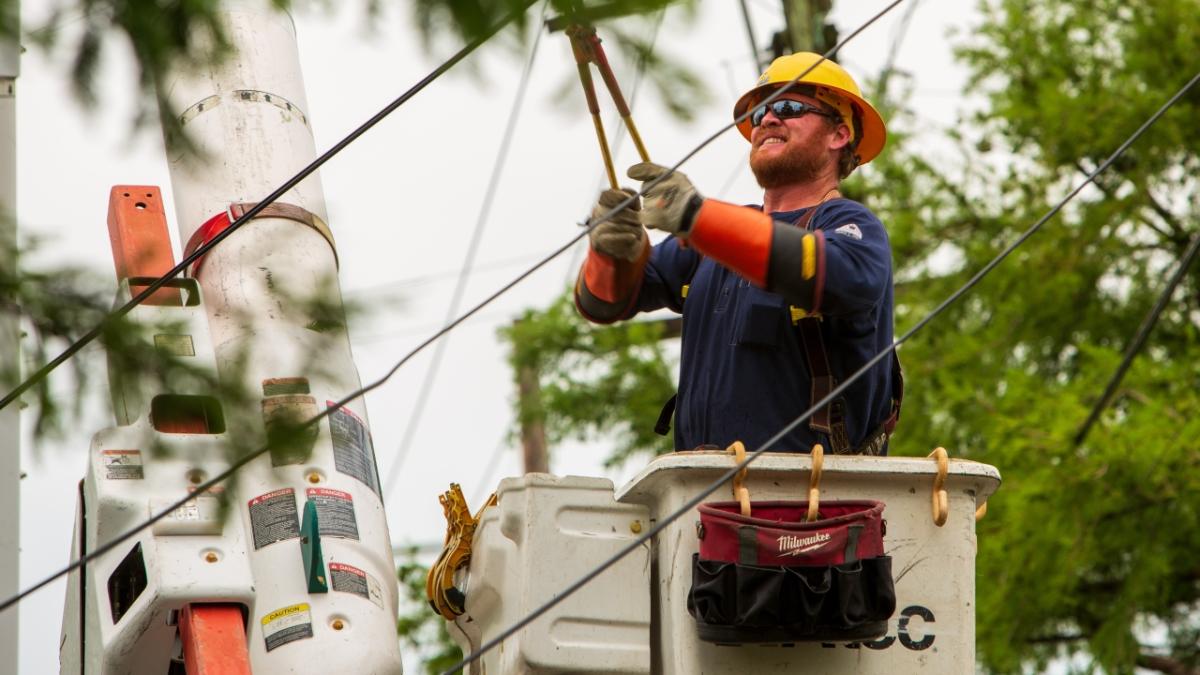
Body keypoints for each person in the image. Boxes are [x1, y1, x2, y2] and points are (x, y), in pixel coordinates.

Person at [573, 52, 901, 455]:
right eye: (762, 110)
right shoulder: (711, 241)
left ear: (839, 135)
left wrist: (697, 216)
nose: (767, 119)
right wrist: (612, 249)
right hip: (702, 496)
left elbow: (832, 272)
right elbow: (603, 303)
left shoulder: (850, 226)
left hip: (816, 502)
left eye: (789, 106)